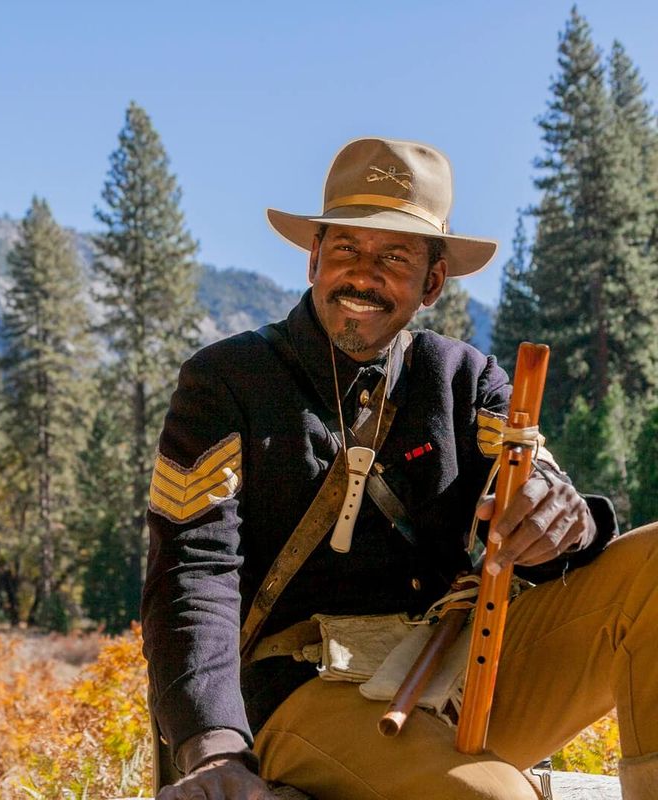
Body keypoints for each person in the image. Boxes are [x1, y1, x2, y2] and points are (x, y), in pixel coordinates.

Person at [142, 137, 658, 800]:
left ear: (432, 283)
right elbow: (191, 575)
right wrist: (213, 751)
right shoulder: (226, 381)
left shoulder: (468, 379)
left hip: (462, 668)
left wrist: (566, 521)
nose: (362, 275)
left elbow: (540, 497)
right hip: (306, 691)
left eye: (393, 257)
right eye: (346, 250)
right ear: (313, 259)